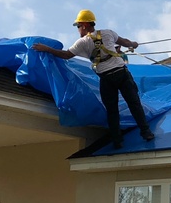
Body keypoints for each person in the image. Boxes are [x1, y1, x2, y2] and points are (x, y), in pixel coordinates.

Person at [32, 10, 154, 148]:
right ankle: (146, 132)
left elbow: (65, 55)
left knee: (112, 110)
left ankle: (117, 141)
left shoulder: (82, 43)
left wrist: (46, 48)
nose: (78, 29)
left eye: (78, 26)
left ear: (84, 25)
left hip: (107, 79)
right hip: (121, 74)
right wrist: (134, 44)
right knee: (134, 104)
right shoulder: (108, 33)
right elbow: (125, 42)